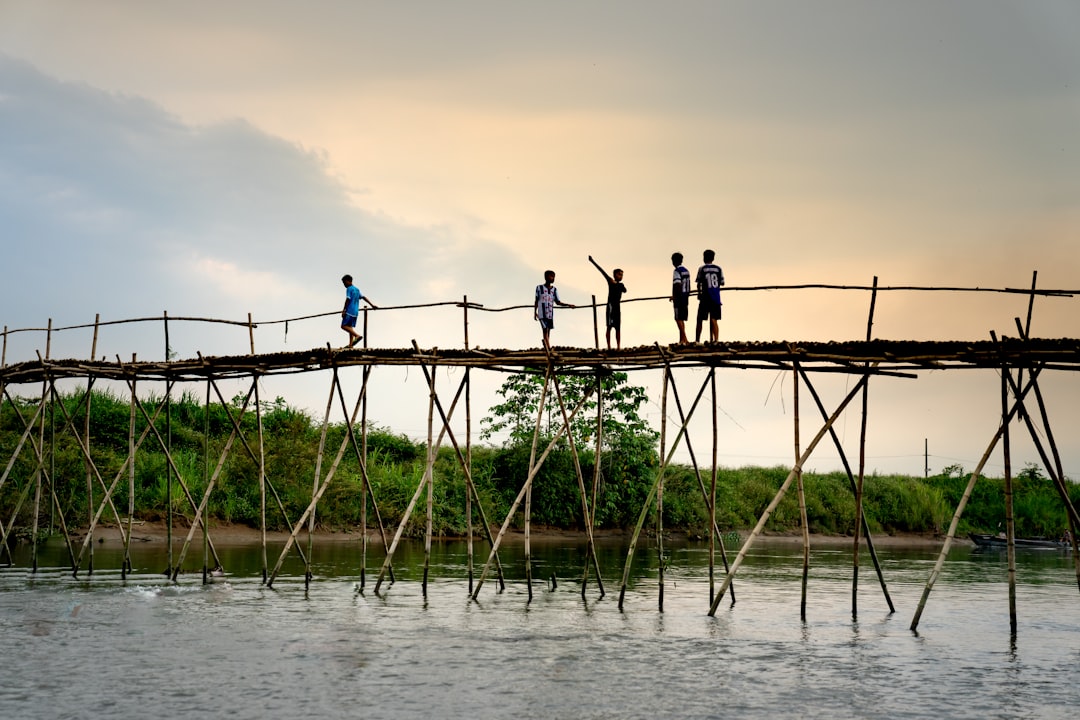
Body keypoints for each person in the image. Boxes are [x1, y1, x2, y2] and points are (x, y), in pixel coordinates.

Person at [588, 255, 627, 349]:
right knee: (609, 327)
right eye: (619, 274)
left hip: (617, 307)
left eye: (621, 275)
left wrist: (621, 286)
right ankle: (609, 346)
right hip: (610, 307)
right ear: (614, 275)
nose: (620, 276)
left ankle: (618, 346)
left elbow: (625, 290)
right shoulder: (610, 281)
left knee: (618, 327)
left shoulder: (621, 285)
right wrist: (592, 261)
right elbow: (602, 271)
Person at [534, 270, 575, 347]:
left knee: (548, 331)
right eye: (551, 276)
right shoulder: (539, 288)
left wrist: (568, 305)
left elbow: (558, 302)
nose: (553, 278)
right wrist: (534, 313)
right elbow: (536, 300)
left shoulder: (554, 290)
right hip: (542, 313)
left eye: (554, 277)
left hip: (549, 314)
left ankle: (547, 346)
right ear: (546, 277)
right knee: (545, 330)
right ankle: (549, 348)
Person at [694, 249, 724, 343]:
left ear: (704, 258)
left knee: (700, 319)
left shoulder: (702, 269)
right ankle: (716, 340)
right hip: (715, 297)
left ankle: (697, 340)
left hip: (705, 297)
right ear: (713, 258)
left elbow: (699, 283)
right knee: (714, 319)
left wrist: (699, 293)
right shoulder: (719, 269)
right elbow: (722, 282)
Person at [341, 274, 377, 348]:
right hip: (355, 312)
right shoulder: (357, 290)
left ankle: (357, 336)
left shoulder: (349, 289)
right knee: (350, 327)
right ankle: (351, 344)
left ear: (348, 281)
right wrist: (372, 305)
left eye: (344, 282)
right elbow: (364, 297)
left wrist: (344, 310)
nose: (344, 285)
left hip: (349, 311)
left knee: (343, 326)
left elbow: (348, 299)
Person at [670, 252, 691, 345]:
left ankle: (684, 338)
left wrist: (674, 296)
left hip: (679, 297)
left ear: (674, 261)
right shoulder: (686, 271)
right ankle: (682, 339)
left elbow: (677, 284)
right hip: (685, 297)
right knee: (682, 318)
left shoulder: (676, 271)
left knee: (678, 318)